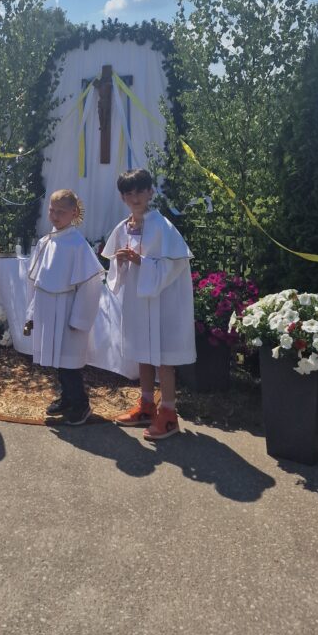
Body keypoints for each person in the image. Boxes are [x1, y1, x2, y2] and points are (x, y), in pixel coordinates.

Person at [102, 168, 196, 440]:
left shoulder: (162, 227)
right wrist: (121, 261)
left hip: (161, 301)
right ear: (122, 197)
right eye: (129, 193)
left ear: (150, 192)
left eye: (140, 191)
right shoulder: (123, 228)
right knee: (143, 352)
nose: (135, 198)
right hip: (138, 301)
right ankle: (146, 405)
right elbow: (115, 268)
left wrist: (141, 261)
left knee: (163, 358)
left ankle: (168, 413)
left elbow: (175, 264)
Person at [24, 190, 104, 425]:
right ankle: (67, 398)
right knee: (58, 361)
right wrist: (31, 314)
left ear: (74, 213)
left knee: (69, 365)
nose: (55, 216)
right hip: (48, 311)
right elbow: (37, 283)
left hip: (68, 312)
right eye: (52, 210)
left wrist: (80, 318)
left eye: (61, 211)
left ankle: (81, 404)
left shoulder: (77, 244)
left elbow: (90, 285)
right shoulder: (45, 242)